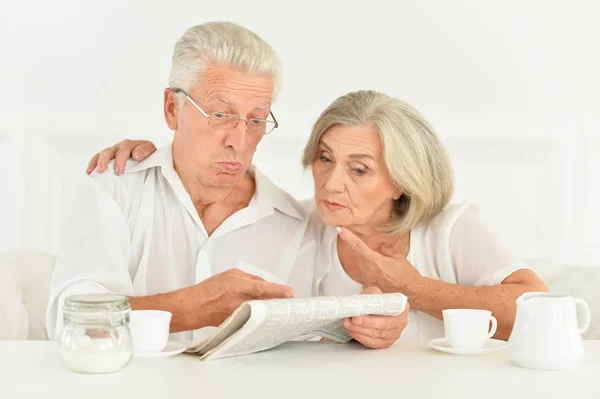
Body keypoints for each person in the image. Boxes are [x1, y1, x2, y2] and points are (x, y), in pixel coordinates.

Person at [46, 22, 408, 349]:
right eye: (220, 115)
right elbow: (69, 320)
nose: (239, 139)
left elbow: (331, 334)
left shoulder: (298, 226)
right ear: (172, 108)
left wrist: (376, 322)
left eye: (256, 120)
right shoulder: (116, 187)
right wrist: (192, 308)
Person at [94, 90, 548, 342]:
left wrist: (410, 288)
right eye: (325, 158)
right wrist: (157, 160)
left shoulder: (449, 228)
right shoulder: (302, 225)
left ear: (402, 181)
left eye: (359, 169)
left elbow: (535, 309)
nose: (331, 183)